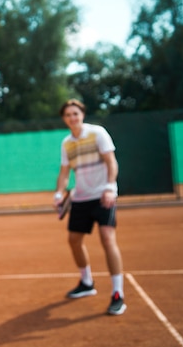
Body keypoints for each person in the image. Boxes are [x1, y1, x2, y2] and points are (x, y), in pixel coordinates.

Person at [52, 99, 127, 316]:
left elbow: (111, 161)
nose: (72, 118)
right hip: (81, 198)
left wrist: (110, 187)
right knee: (74, 240)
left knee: (107, 237)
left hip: (103, 196)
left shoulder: (98, 133)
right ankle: (87, 283)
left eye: (75, 113)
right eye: (68, 115)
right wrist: (59, 192)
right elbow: (65, 172)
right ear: (64, 119)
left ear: (82, 114)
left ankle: (117, 294)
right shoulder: (66, 143)